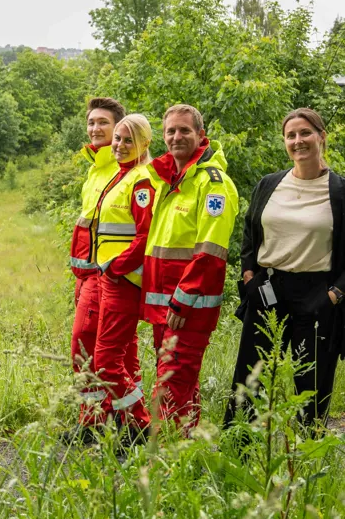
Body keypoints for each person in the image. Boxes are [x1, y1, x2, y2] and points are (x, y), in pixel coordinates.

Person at [224, 108, 344, 430]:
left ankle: (305, 457)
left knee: (311, 384)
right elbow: (250, 233)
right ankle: (239, 446)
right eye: (291, 135)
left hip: (317, 296)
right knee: (250, 376)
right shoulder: (269, 185)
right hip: (267, 290)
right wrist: (249, 275)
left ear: (321, 137)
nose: (298, 141)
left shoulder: (340, 192)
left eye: (305, 133)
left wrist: (334, 295)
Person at [142, 104, 238, 434]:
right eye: (170, 131)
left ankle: (161, 459)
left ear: (201, 135)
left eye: (185, 130)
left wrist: (183, 301)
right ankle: (184, 449)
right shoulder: (170, 180)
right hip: (165, 307)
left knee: (170, 384)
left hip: (187, 307)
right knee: (180, 381)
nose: (177, 136)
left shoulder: (213, 184)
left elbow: (210, 253)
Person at [68, 97, 140, 430]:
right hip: (92, 273)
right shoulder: (96, 169)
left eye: (103, 123)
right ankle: (108, 420)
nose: (95, 129)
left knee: (96, 350)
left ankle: (108, 421)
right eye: (91, 122)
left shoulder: (123, 167)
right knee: (115, 353)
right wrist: (80, 278)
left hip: (114, 275)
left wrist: (110, 271)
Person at [92, 114, 155, 434]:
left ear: (144, 144)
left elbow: (145, 236)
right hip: (110, 277)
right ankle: (126, 423)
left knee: (104, 360)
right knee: (123, 357)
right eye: (117, 138)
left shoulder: (141, 180)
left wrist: (117, 268)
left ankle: (138, 422)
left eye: (128, 140)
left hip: (124, 280)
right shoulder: (121, 174)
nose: (118, 144)